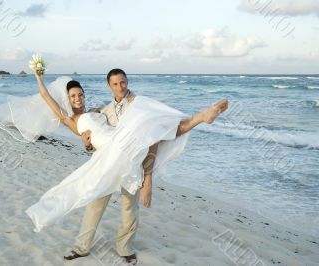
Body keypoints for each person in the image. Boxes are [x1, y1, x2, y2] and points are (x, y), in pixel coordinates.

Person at [22, 68, 228, 264]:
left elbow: (136, 136)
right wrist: (39, 77)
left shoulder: (101, 110)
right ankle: (81, 247)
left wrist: (148, 180)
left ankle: (124, 248)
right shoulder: (69, 119)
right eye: (73, 96)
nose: (78, 99)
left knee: (131, 203)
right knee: (95, 205)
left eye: (80, 95)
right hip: (107, 158)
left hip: (121, 146)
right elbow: (46, 97)